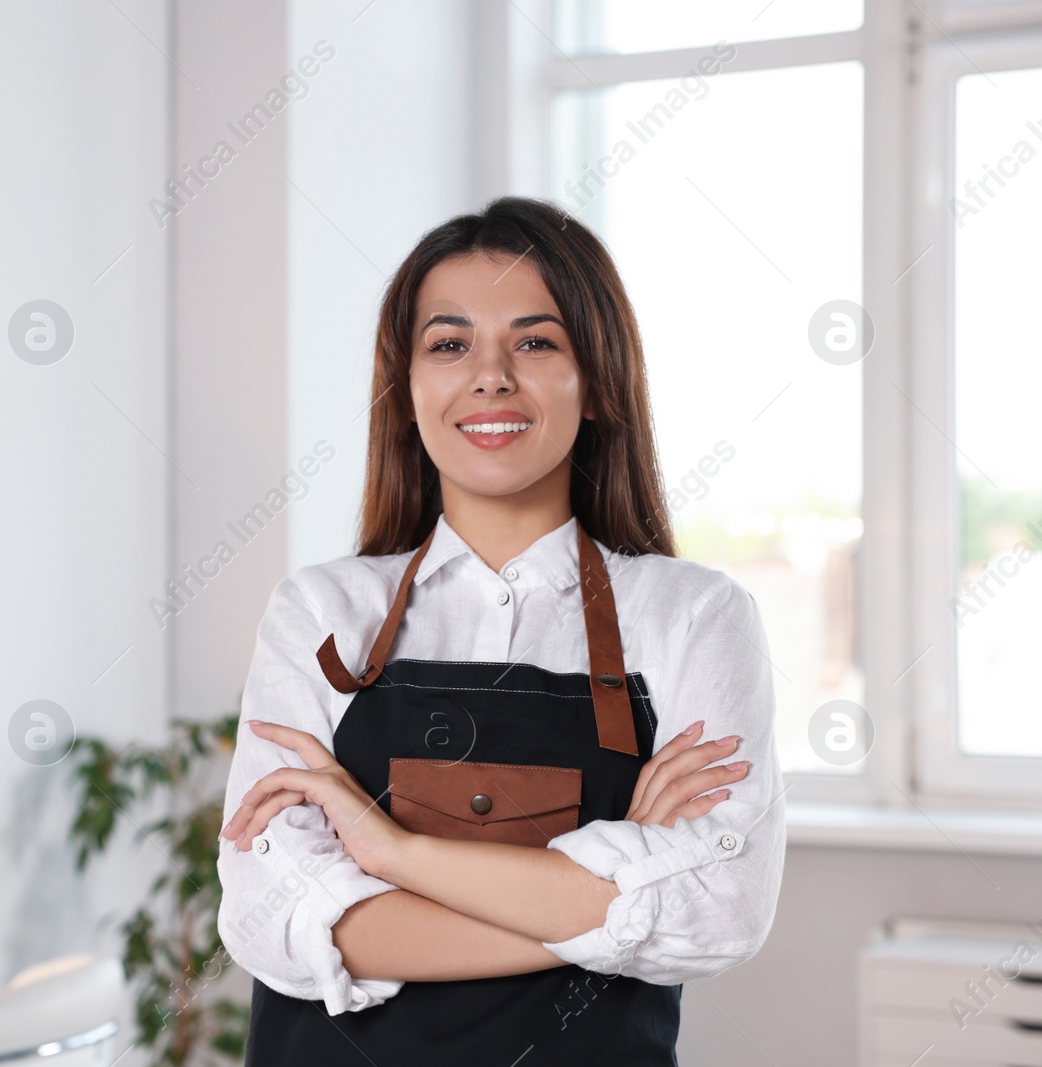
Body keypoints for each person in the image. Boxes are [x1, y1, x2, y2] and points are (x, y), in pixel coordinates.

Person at [214, 197, 784, 1065]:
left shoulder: (695, 616)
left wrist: (387, 852)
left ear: (596, 383)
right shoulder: (321, 615)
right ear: (405, 391)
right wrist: (606, 893)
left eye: (536, 341)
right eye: (449, 344)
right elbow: (269, 920)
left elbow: (723, 912)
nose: (491, 376)